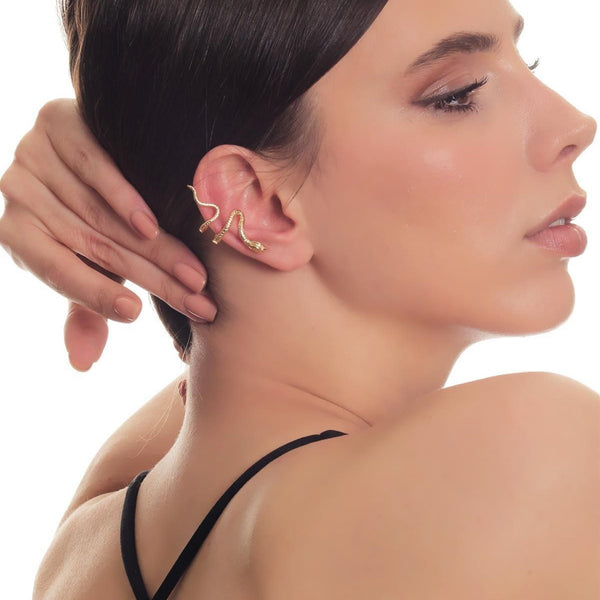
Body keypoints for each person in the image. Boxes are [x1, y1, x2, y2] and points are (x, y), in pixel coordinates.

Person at [1, 0, 599, 598]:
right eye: (458, 95)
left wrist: (134, 155)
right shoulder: (529, 461)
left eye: (529, 63)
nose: (576, 125)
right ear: (257, 202)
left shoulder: (88, 548)